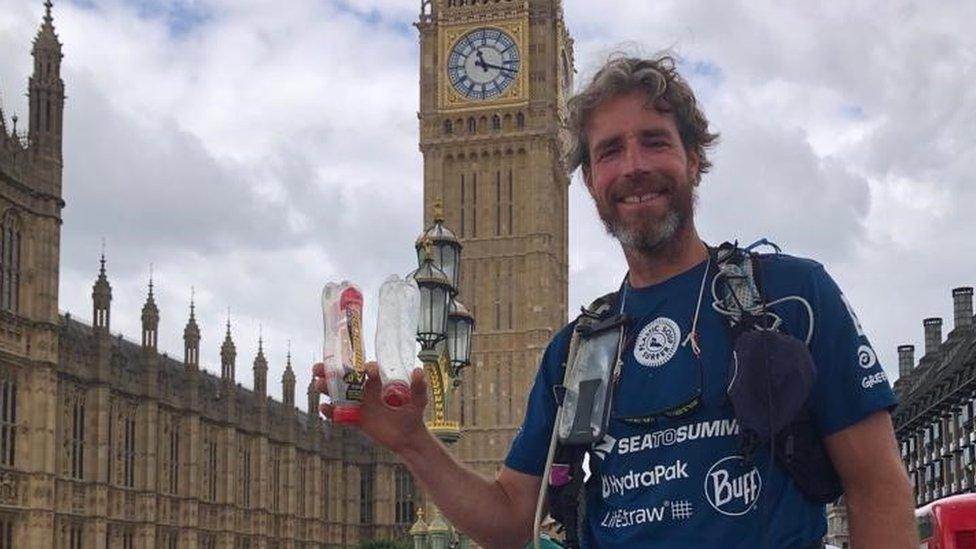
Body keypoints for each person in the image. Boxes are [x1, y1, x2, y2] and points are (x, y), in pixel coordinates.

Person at [313, 55, 917, 548]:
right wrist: (412, 441)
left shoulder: (791, 297)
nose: (633, 167)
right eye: (609, 151)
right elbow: (509, 519)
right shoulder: (575, 351)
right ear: (588, 179)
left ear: (694, 159)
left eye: (654, 142)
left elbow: (878, 490)